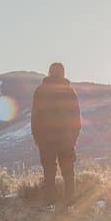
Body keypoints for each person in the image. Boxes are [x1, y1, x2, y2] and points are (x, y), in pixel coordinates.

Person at [31, 62, 82, 206]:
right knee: (68, 171)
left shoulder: (40, 91)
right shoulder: (70, 92)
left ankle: (51, 203)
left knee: (49, 170)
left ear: (49, 73)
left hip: (46, 139)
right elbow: (77, 118)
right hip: (66, 138)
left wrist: (37, 138)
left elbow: (35, 117)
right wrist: (74, 138)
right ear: (63, 73)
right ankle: (70, 204)